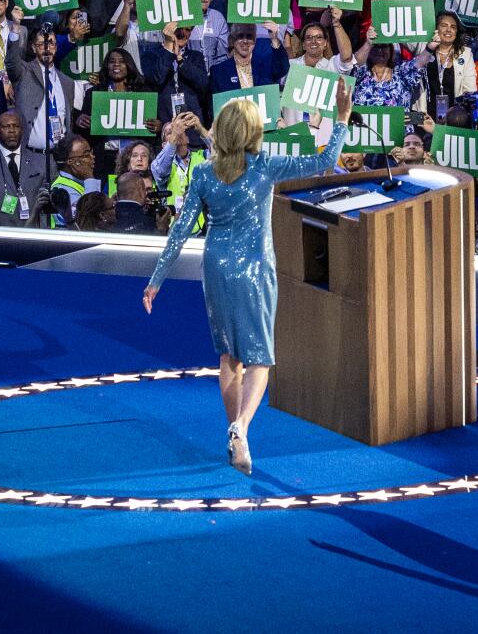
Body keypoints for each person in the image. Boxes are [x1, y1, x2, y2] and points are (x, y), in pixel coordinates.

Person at [142, 77, 353, 474]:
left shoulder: (204, 174)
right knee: (260, 359)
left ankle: (234, 430)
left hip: (217, 268)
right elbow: (324, 161)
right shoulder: (266, 165)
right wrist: (341, 118)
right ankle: (241, 426)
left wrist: (156, 279)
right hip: (255, 269)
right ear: (254, 132)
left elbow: (181, 229)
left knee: (230, 356)